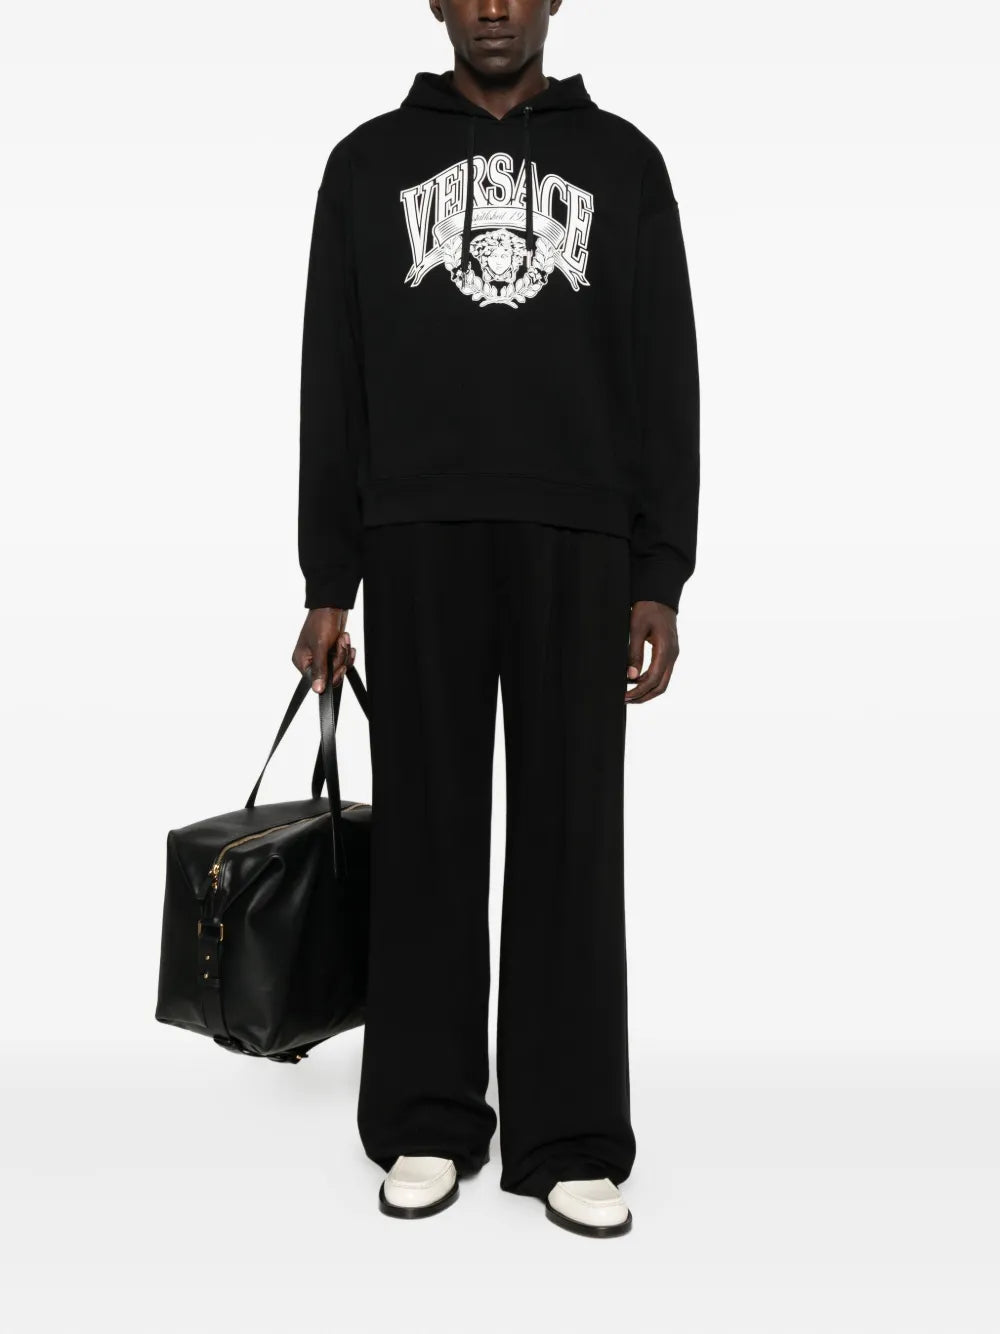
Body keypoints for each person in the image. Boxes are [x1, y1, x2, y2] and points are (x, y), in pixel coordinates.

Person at [291, 0, 699, 1239]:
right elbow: (332, 374)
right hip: (416, 532)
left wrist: (659, 571)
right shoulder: (367, 164)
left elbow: (664, 371)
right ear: (435, 1)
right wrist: (327, 578)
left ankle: (569, 1132)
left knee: (572, 834)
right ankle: (426, 1115)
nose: (494, 7)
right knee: (426, 831)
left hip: (580, 537)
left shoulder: (624, 163)